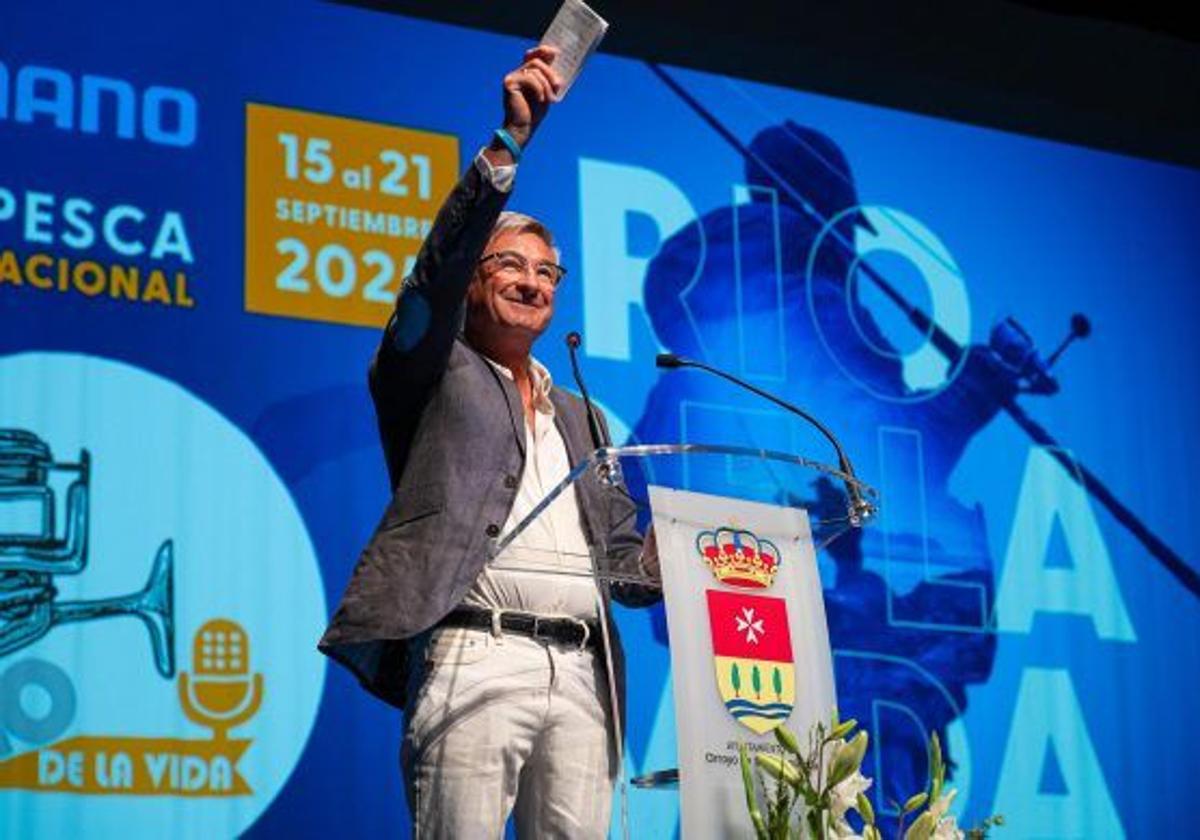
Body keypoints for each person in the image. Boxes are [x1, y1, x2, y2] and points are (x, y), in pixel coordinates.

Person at [318, 45, 660, 838]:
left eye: (548, 273)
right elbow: (431, 276)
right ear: (473, 281)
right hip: (477, 654)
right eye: (510, 264)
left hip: (585, 676)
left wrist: (693, 551)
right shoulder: (429, 370)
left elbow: (624, 567)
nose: (533, 282)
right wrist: (510, 144)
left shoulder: (581, 415)